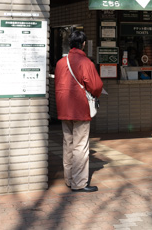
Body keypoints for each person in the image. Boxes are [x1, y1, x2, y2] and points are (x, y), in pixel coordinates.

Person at [55, 29, 103, 193]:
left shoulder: (61, 63)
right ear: (83, 44)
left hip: (64, 108)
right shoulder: (86, 63)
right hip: (80, 109)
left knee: (68, 144)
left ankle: (69, 179)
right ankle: (80, 183)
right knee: (81, 145)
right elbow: (96, 86)